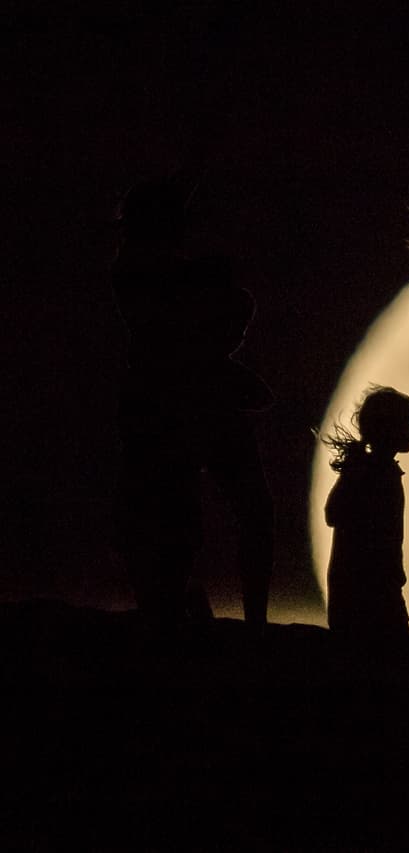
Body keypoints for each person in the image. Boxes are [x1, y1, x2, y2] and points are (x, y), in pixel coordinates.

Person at [112, 175, 274, 634]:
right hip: (182, 401)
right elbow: (191, 333)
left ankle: (181, 610)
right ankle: (236, 619)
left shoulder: (142, 268)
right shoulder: (149, 271)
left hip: (170, 399)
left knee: (178, 515)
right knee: (195, 515)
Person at [321, 386, 409, 638]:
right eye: (406, 423)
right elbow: (333, 513)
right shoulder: (369, 472)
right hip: (367, 593)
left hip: (366, 589)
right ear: (386, 427)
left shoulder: (373, 470)